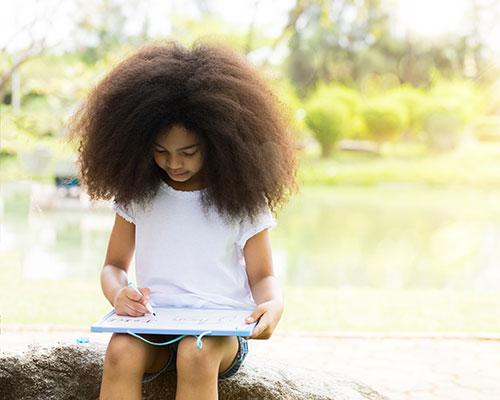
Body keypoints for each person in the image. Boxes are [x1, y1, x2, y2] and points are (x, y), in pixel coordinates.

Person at [67, 40, 298, 400]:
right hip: (153, 326)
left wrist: (273, 306)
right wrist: (118, 294)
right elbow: (113, 266)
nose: (174, 163)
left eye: (188, 153)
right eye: (161, 151)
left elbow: (263, 276)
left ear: (219, 144)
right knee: (120, 351)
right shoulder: (138, 195)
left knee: (196, 353)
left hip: (219, 334)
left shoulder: (241, 201)